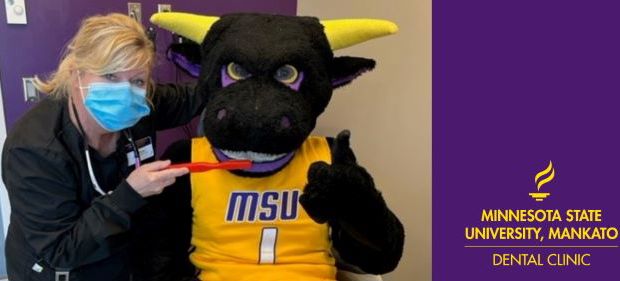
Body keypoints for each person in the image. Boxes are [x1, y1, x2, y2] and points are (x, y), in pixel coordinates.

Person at [1, 13, 205, 281]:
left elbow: (196, 96)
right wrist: (130, 193)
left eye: (137, 81)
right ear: (76, 74)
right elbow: (61, 250)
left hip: (122, 260)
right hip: (61, 269)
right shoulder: (34, 150)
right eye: (110, 75)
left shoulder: (139, 105)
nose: (125, 92)